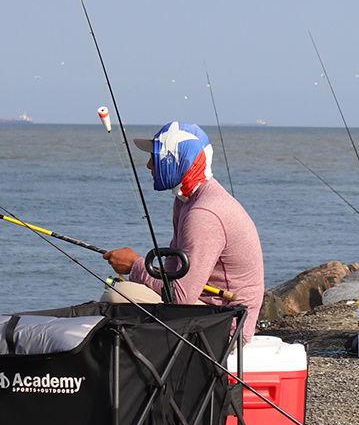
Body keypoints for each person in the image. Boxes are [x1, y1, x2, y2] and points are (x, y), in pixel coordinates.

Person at [103, 121, 265, 342]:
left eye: (155, 158)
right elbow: (172, 272)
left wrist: (135, 266)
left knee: (117, 295)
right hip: (211, 313)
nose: (149, 166)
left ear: (178, 159)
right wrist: (141, 272)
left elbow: (180, 297)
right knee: (123, 291)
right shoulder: (186, 201)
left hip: (229, 328)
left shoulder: (204, 213)